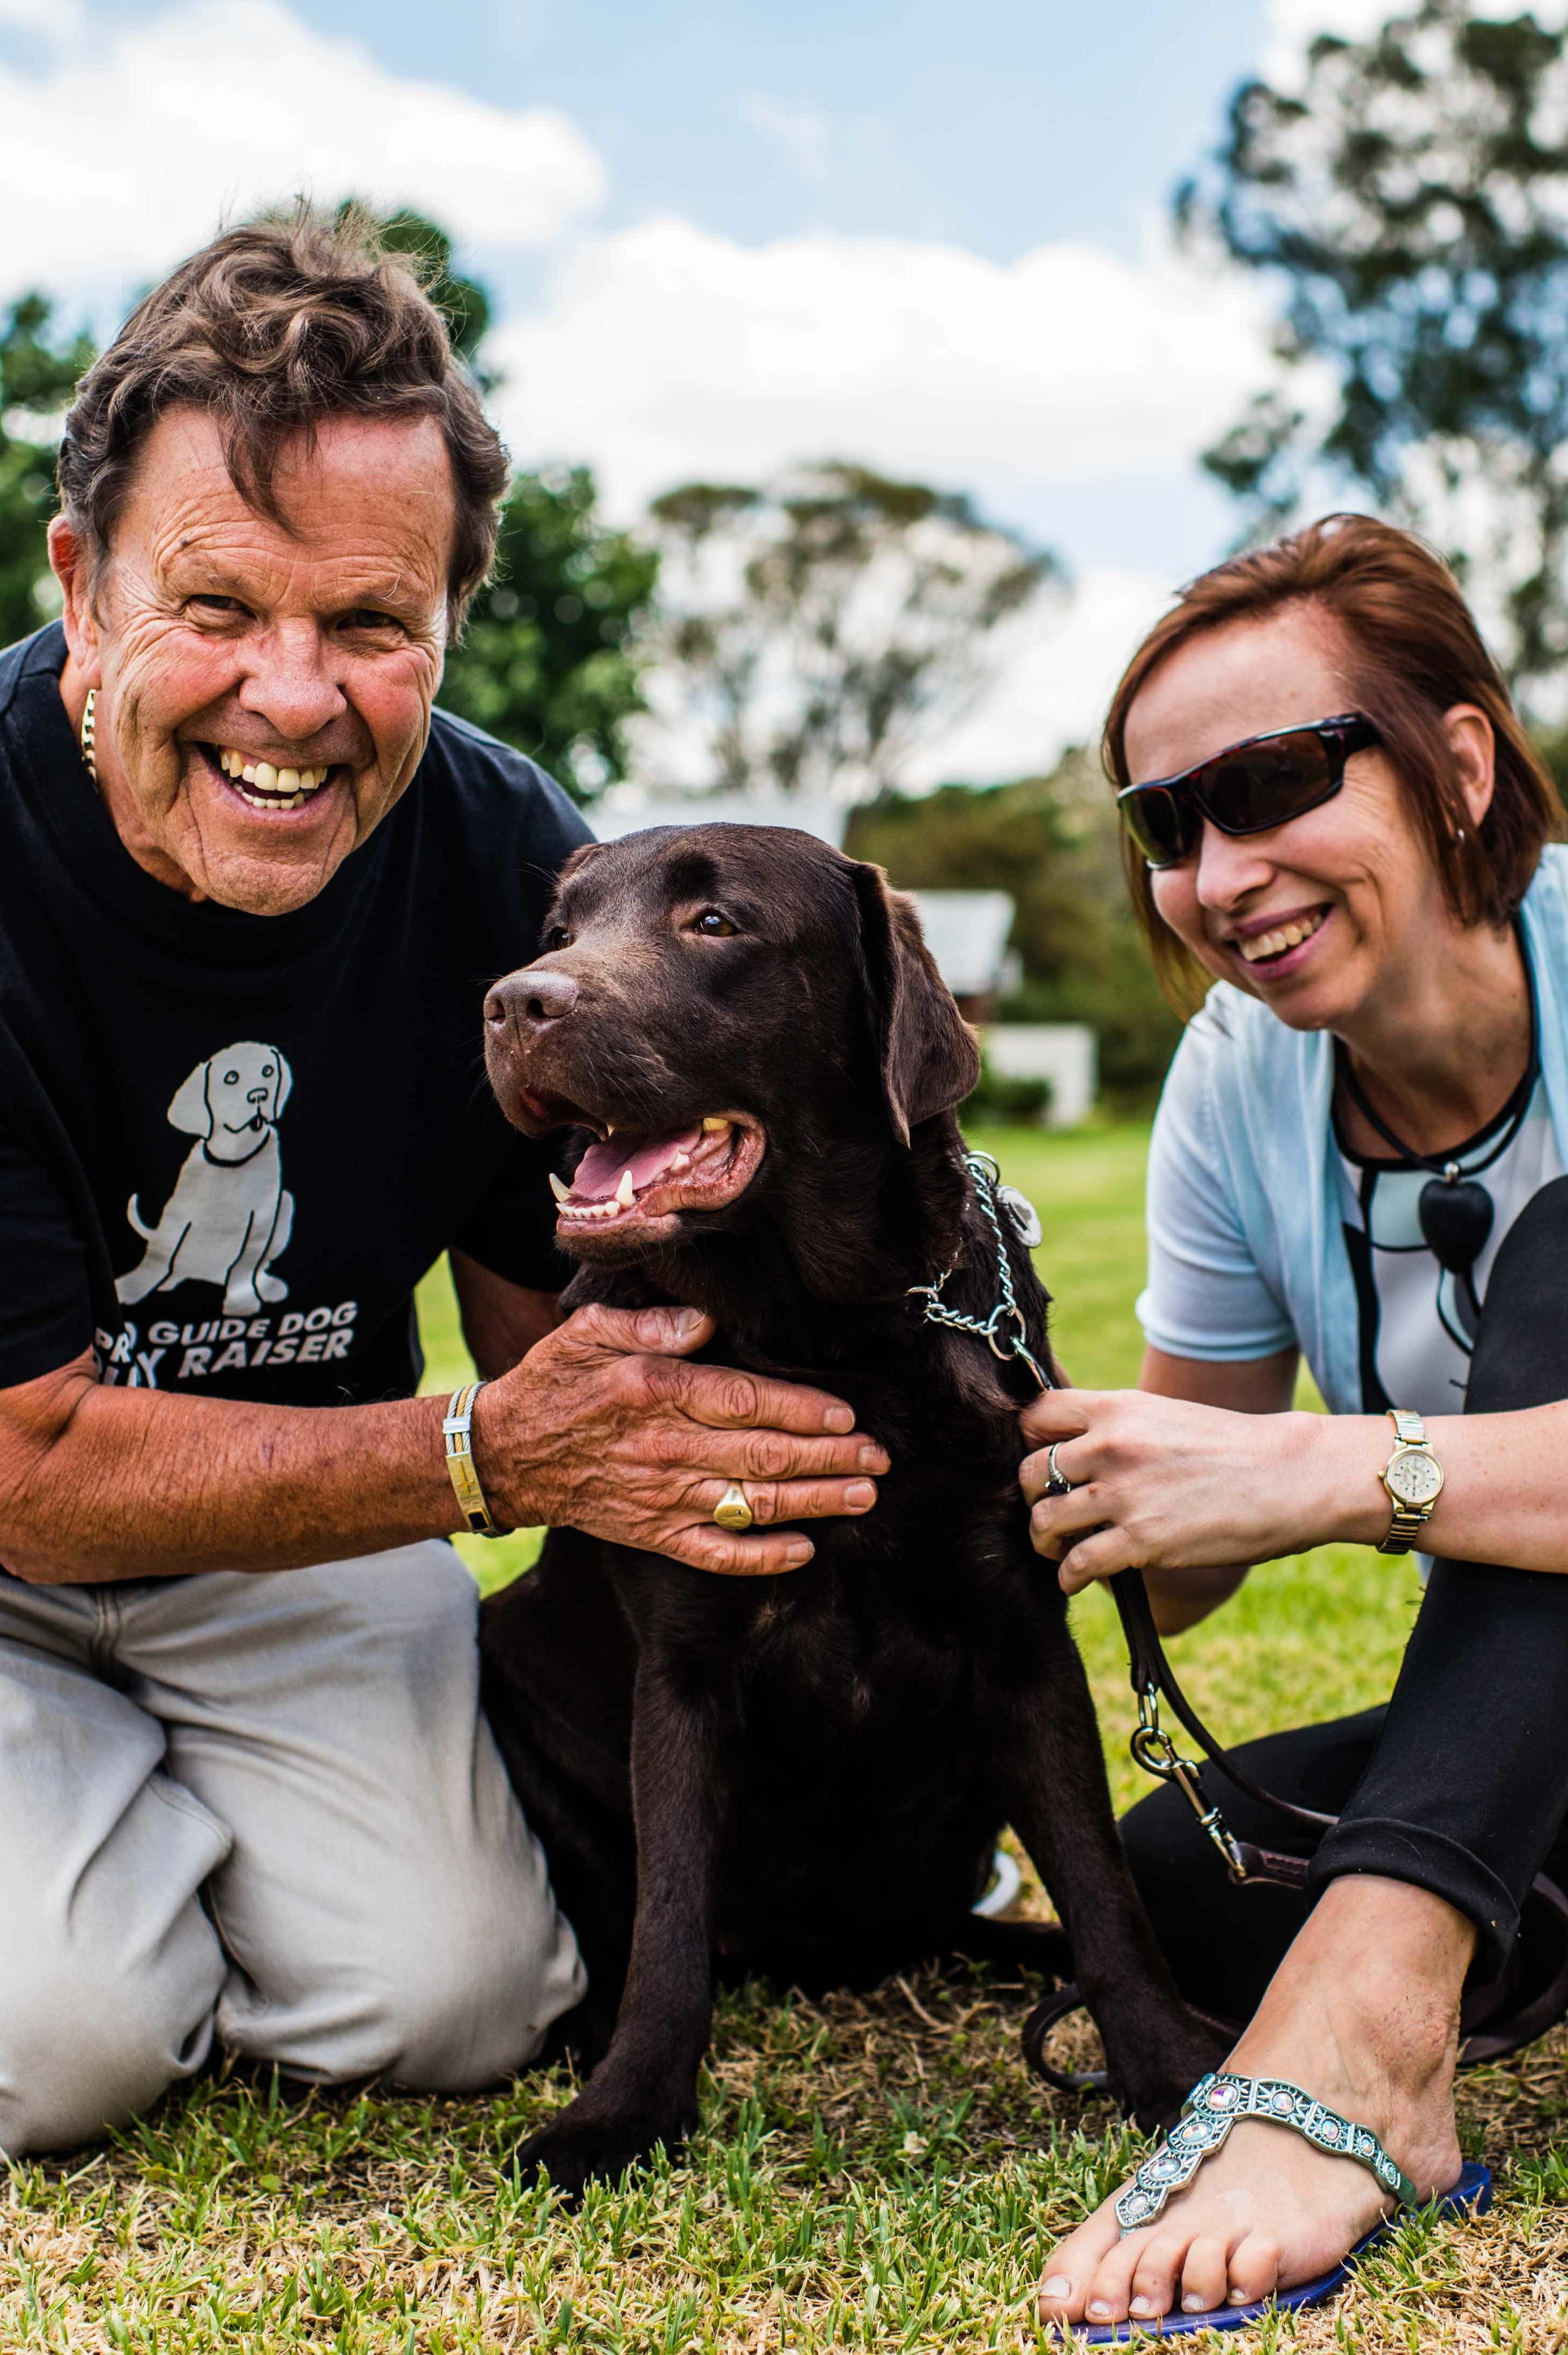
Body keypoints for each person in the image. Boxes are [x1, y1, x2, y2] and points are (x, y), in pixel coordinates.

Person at [0, 209, 885, 2159]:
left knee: (458, 2005)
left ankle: (144, 1835)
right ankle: (89, 1867)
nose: (293, 698)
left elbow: (574, 1327)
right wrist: (487, 1456)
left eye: (372, 627)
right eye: (218, 607)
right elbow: (28, 1467)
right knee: (60, 2048)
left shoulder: (513, 864)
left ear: (448, 627)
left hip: (298, 1542)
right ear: (83, 582)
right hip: (10, 1547)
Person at [1023, 514, 1568, 2331]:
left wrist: (1333, 1472)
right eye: (1167, 824)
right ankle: (1423, 1920)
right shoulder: (1238, 1078)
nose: (1217, 868)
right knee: (1178, 1879)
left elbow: (1277, 1477)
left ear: (1457, 762)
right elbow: (1178, 1565)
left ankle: (1365, 2045)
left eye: (1267, 784)